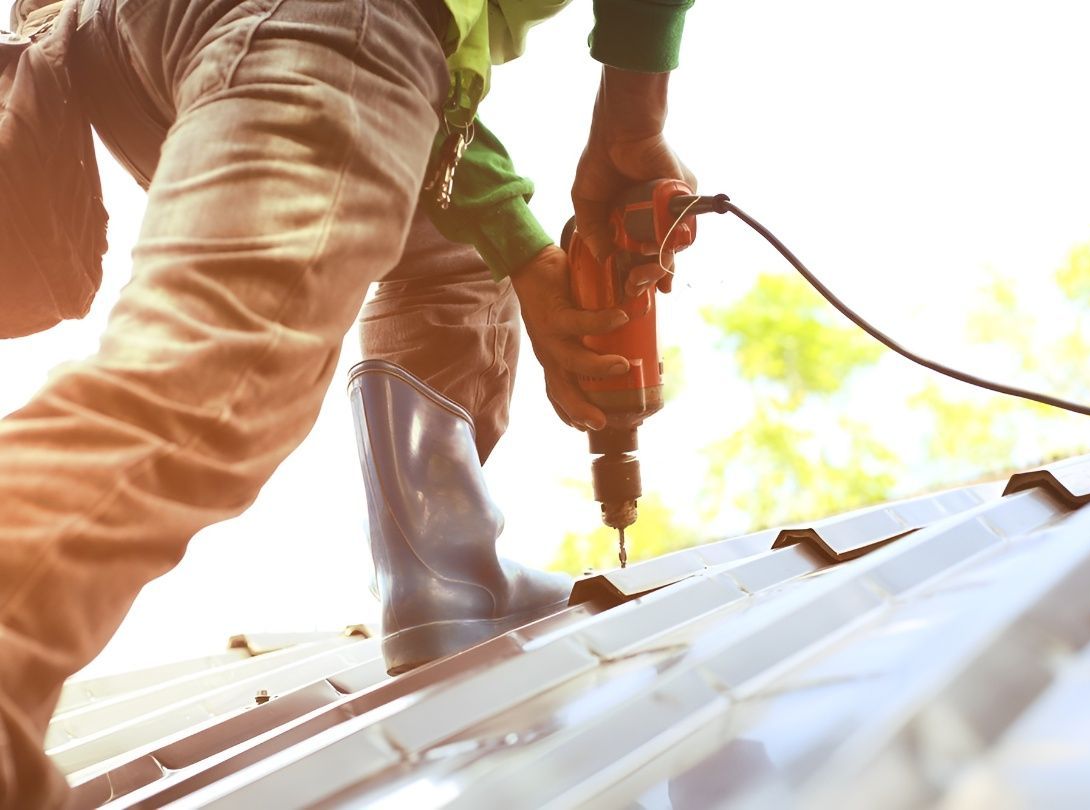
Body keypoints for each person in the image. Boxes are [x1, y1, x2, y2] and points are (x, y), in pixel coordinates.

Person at [0, 0, 694, 803]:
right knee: (226, 369)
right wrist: (633, 108)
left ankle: (442, 572)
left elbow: (399, 121)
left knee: (452, 249)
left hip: (136, 38)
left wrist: (534, 228)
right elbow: (360, 47)